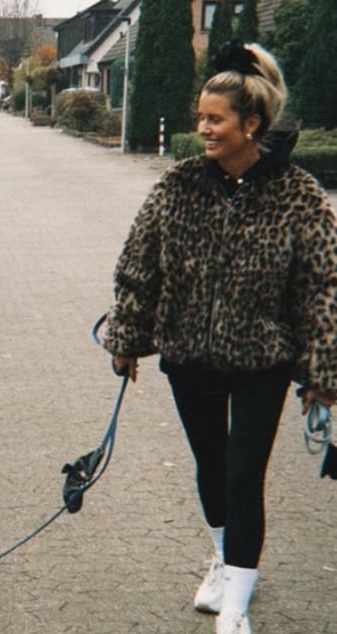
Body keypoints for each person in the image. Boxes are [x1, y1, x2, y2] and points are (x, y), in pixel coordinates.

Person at [102, 40, 337, 634]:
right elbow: (138, 265)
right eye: (200, 118)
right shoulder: (179, 184)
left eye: (215, 119)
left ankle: (234, 608)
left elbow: (323, 288)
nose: (202, 128)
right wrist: (126, 338)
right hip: (189, 357)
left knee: (243, 474)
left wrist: (322, 374)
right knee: (210, 468)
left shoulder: (299, 195)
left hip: (262, 360)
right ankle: (224, 561)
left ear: (251, 123)